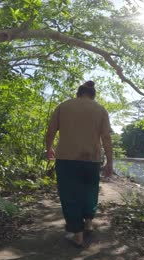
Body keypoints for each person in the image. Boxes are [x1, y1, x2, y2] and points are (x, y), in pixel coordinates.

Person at [45, 80, 113, 248]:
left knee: (70, 196)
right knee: (89, 192)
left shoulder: (64, 106)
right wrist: (110, 162)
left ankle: (77, 235)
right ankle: (88, 223)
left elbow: (51, 131)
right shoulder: (101, 109)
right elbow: (106, 138)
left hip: (67, 158)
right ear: (92, 95)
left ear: (78, 93)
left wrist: (49, 149)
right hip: (92, 159)